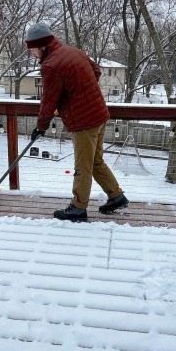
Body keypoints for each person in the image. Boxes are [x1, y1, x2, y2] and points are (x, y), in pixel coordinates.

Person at [25, 22, 128, 222]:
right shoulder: (74, 52)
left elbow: (49, 100)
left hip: (84, 121)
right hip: (99, 114)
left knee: (83, 166)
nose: (32, 55)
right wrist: (81, 91)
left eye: (32, 50)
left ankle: (78, 208)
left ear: (42, 46)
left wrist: (41, 126)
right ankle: (116, 196)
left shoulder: (50, 65)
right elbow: (96, 71)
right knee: (95, 161)